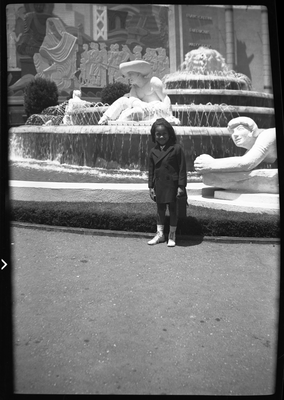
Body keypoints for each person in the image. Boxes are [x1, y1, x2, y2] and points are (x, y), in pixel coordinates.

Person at [98, 60, 179, 124]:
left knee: (137, 112)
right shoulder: (134, 88)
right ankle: (105, 118)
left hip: (154, 110)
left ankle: (118, 121)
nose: (129, 77)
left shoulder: (154, 82)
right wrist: (141, 104)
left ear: (138, 74)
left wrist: (169, 115)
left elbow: (165, 98)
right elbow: (133, 101)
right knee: (123, 100)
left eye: (131, 74)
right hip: (141, 108)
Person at [148, 118, 187, 247]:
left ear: (169, 133)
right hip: (159, 185)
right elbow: (151, 171)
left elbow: (182, 169)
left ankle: (172, 234)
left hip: (173, 185)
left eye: (164, 133)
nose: (161, 136)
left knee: (173, 209)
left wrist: (181, 186)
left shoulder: (176, 149)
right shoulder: (153, 151)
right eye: (158, 134)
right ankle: (160, 234)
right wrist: (150, 187)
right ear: (154, 135)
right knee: (160, 209)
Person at [194, 116, 277, 173]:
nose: (235, 135)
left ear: (252, 131)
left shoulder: (267, 136)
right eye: (232, 132)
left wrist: (211, 164)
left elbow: (246, 163)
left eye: (240, 129)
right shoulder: (249, 151)